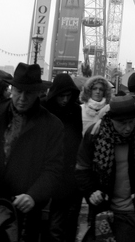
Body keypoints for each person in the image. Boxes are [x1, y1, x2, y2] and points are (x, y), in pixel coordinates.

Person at [0, 62, 64, 241]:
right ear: (11, 89)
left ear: (38, 93)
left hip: (24, 210)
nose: (22, 98)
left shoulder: (51, 125)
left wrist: (34, 195)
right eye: (18, 91)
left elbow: (54, 169)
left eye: (29, 93)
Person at [75, 94, 135, 242]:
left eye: (131, 121)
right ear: (111, 119)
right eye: (122, 123)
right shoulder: (95, 134)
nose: (128, 128)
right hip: (104, 209)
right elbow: (82, 169)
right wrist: (91, 191)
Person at [42, 73, 83, 242]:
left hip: (71, 169)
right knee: (54, 222)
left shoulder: (76, 109)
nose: (65, 100)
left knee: (69, 219)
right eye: (62, 96)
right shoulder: (44, 108)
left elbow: (77, 136)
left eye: (68, 96)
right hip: (50, 168)